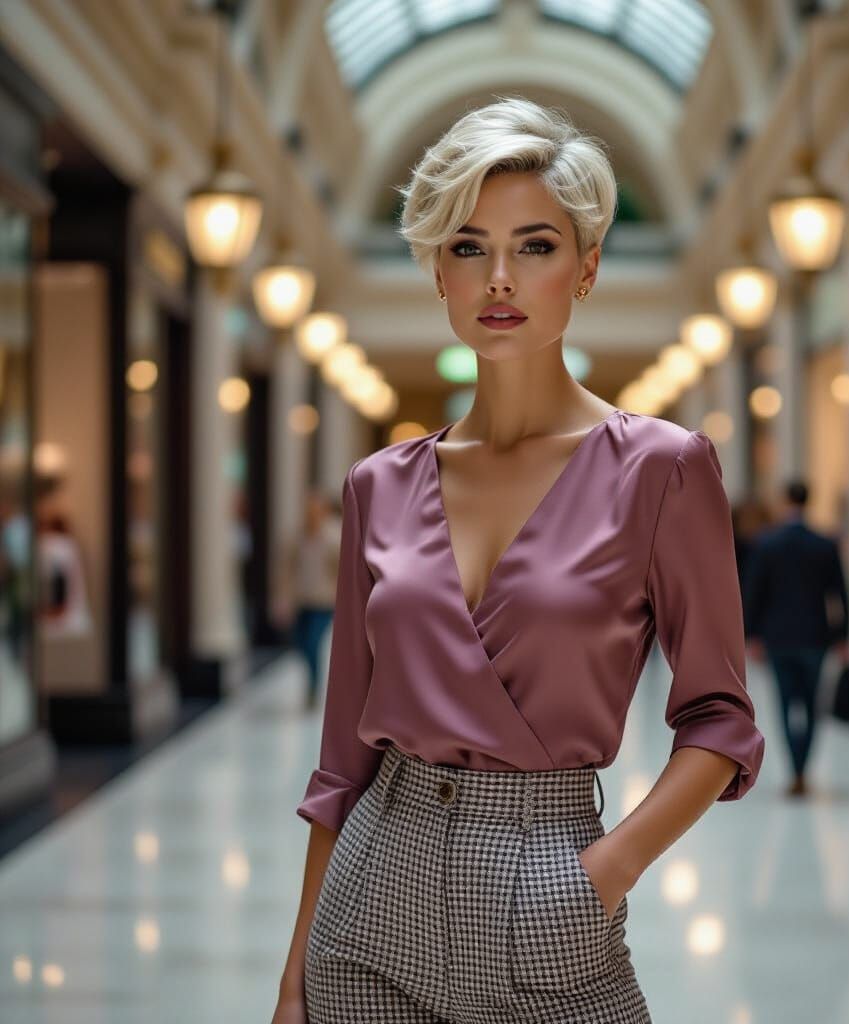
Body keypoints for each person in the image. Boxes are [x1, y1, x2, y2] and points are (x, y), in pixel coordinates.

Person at [273, 97, 765, 1024]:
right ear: (438, 274)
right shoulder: (376, 486)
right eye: (467, 246)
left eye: (534, 246)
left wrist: (603, 874)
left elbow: (720, 720)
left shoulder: (661, 469)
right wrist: (295, 980)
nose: (499, 276)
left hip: (549, 885)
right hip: (369, 901)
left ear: (585, 269)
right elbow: (343, 760)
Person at [742, 479, 849, 798]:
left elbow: (754, 592)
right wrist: (844, 636)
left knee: (786, 703)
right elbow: (841, 593)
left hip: (779, 638)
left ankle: (795, 768)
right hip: (816, 636)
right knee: (812, 704)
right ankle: (804, 767)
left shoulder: (767, 543)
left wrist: (752, 634)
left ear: (784, 500)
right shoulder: (825, 543)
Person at [281, 492, 342, 710]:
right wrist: (283, 597)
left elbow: (341, 570)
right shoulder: (298, 537)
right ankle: (311, 680)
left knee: (313, 643)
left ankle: (313, 688)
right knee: (300, 644)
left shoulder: (333, 537)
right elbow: (287, 568)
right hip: (302, 600)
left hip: (323, 602)